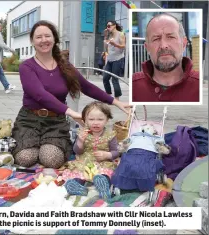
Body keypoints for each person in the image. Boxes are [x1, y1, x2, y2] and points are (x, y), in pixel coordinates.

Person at [11, 20, 130, 169]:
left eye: (47, 36)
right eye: (39, 37)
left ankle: (45, 147)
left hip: (55, 122)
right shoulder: (26, 67)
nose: (44, 40)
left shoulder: (64, 65)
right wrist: (72, 113)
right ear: (32, 41)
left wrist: (115, 102)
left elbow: (86, 86)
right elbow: (39, 94)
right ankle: (33, 146)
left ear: (54, 39)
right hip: (29, 120)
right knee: (25, 158)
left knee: (50, 159)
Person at [132, 13, 199, 102]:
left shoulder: (199, 86)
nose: (163, 46)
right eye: (156, 39)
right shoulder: (133, 87)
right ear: (147, 47)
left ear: (184, 43)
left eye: (171, 37)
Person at [73, 101, 119, 199]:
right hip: (85, 162)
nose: (95, 122)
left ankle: (104, 186)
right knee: (79, 174)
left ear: (107, 120)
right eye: (91, 119)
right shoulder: (82, 133)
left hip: (103, 163)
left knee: (105, 174)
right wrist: (80, 141)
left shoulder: (110, 135)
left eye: (100, 119)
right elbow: (77, 151)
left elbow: (116, 151)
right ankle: (78, 187)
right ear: (85, 120)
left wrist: (107, 155)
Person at [103, 20, 126, 100]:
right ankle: (108, 96)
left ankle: (117, 98)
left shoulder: (121, 34)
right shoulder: (108, 35)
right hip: (110, 59)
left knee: (114, 79)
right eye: (107, 26)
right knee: (105, 78)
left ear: (114, 25)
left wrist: (115, 44)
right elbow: (106, 46)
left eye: (109, 26)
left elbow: (123, 46)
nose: (107, 28)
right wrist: (105, 53)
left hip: (118, 59)